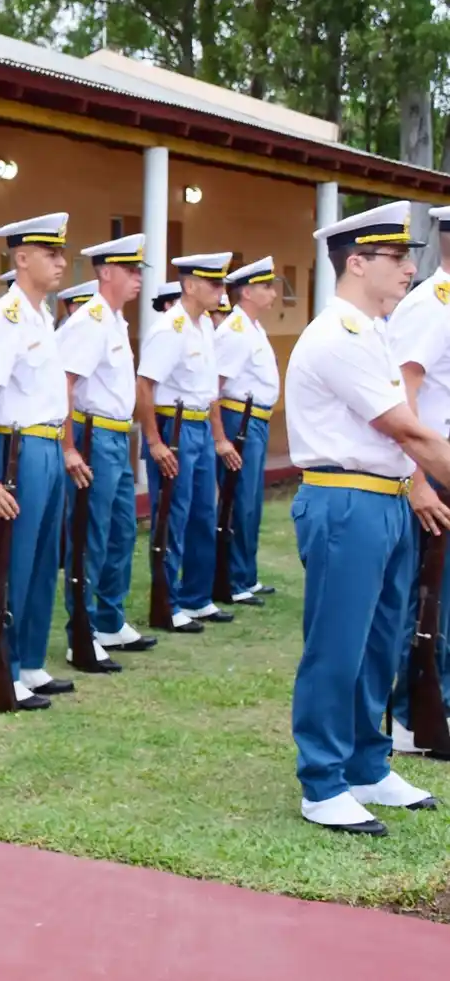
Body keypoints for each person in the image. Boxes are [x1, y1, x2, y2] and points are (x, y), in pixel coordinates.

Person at [286, 199, 450, 835]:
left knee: (381, 643)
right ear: (357, 263)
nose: (410, 267)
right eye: (396, 256)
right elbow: (406, 427)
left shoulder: (376, 330)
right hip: (345, 500)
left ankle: (365, 764)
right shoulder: (339, 335)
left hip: (384, 495)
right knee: (338, 645)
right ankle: (322, 781)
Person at [0, 213, 70, 710]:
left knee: (43, 561)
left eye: (61, 253)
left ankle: (29, 661)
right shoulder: (4, 318)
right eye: (51, 254)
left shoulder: (41, 315)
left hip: (48, 444)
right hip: (20, 450)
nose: (62, 262)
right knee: (11, 561)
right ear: (23, 258)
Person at [58, 234, 157, 663]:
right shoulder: (90, 320)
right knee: (90, 536)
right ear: (105, 272)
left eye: (139, 271)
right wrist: (68, 448)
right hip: (93, 437)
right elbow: (64, 384)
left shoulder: (116, 321)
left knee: (121, 531)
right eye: (131, 270)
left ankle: (110, 620)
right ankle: (80, 631)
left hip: (117, 436)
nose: (138, 279)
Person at [135, 252, 241, 632]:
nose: (221, 291)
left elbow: (210, 390)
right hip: (173, 427)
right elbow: (145, 385)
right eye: (214, 284)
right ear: (190, 285)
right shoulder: (171, 328)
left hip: (197, 426)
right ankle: (167, 601)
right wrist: (154, 441)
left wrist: (218, 437)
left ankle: (196, 596)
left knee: (202, 513)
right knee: (172, 516)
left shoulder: (205, 328)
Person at [385, 204, 450, 751]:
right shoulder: (432, 305)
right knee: (427, 598)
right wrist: (418, 480)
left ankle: (437, 705)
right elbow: (402, 395)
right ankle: (415, 717)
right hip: (430, 471)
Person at [213, 257, 281, 606]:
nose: (273, 292)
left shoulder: (252, 327)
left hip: (255, 419)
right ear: (246, 292)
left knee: (252, 500)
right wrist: (221, 437)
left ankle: (246, 575)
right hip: (239, 418)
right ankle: (233, 579)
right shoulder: (236, 331)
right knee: (238, 500)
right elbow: (215, 386)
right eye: (266, 286)